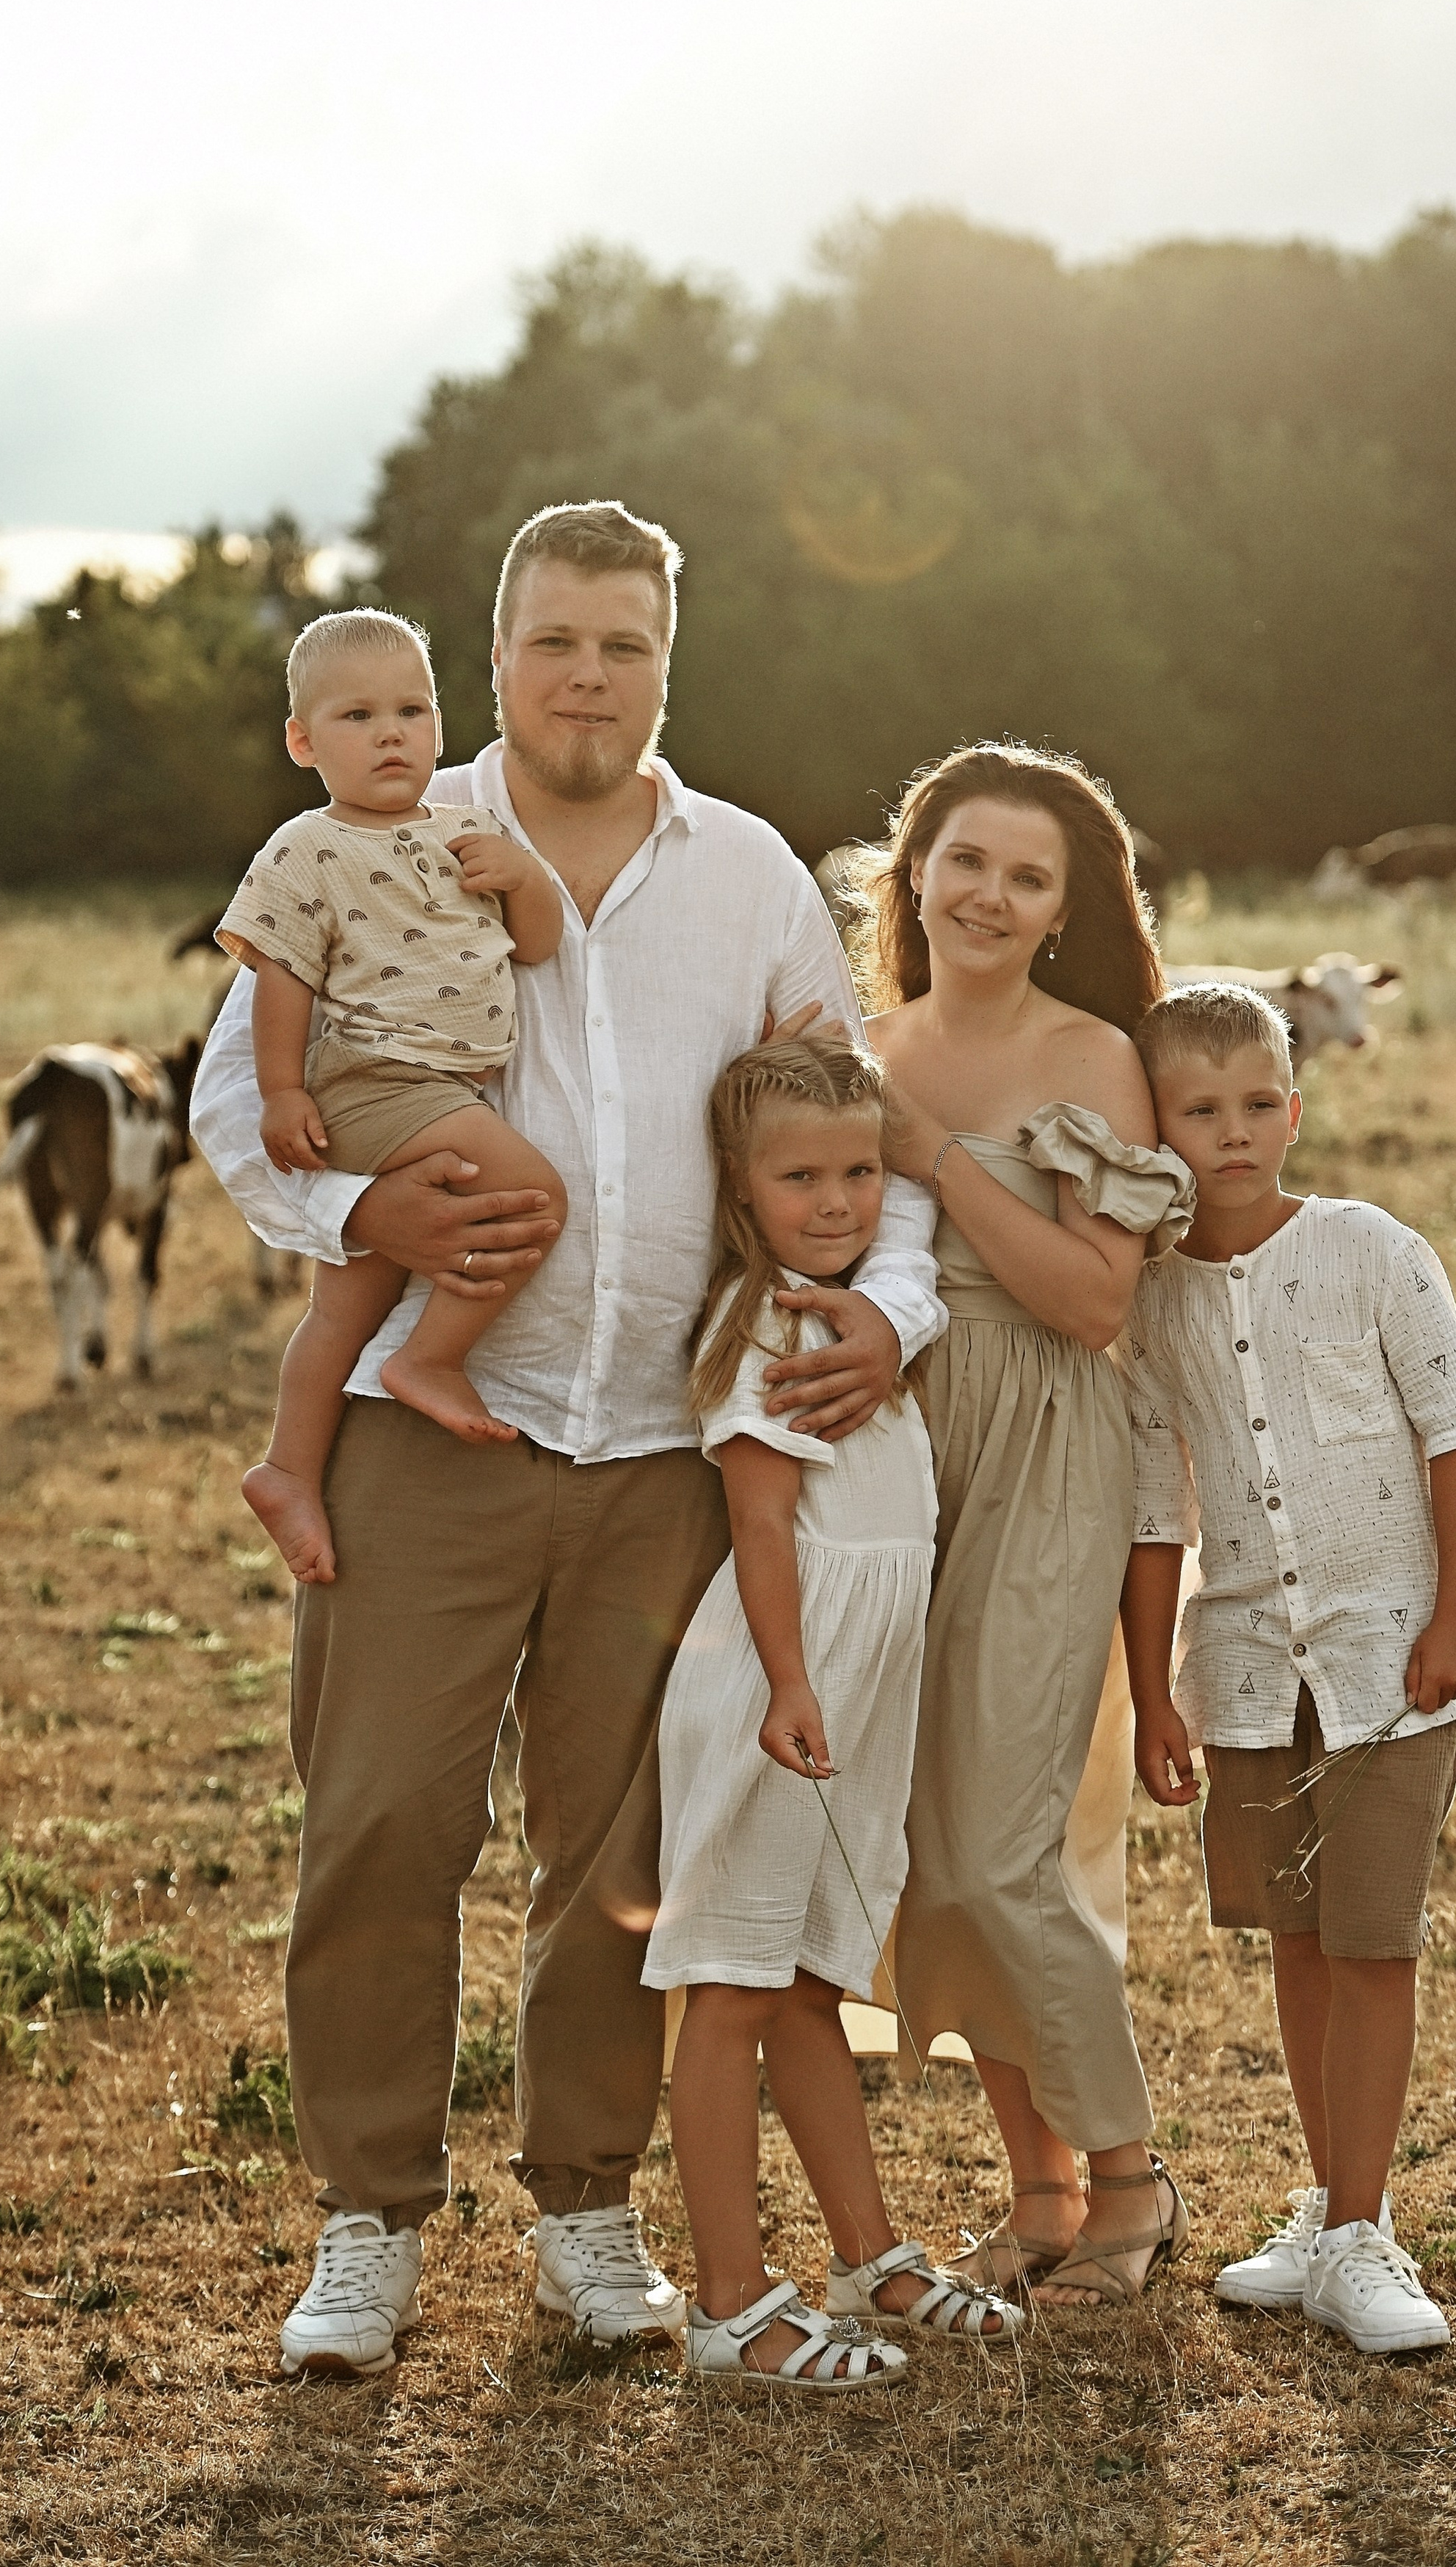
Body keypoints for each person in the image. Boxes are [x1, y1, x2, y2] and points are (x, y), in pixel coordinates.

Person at [189, 501, 946, 2378]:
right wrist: (369, 1224)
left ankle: (587, 2211)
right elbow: (231, 1100)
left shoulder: (751, 876)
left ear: (664, 661)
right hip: (431, 1437)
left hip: (667, 1457)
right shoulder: (381, 832)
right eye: (550, 644)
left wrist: (893, 1305)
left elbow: (864, 1133)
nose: (584, 677)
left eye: (620, 644)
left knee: (618, 1848)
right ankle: (366, 2222)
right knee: (379, 1824)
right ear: (495, 649)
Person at [1121, 981, 1456, 2355]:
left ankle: (1363, 2226)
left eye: (1257, 1105)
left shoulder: (1372, 1250)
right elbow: (1158, 1504)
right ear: (1156, 1126)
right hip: (1243, 1672)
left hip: (1389, 1660)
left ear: (1297, 1106)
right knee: (1293, 1938)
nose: (1233, 1134)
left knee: (1371, 1940)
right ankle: (1327, 2208)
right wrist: (1151, 1680)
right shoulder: (1150, 1301)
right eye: (1198, 1111)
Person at [863, 743, 1198, 2307]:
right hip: (888, 1457)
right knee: (926, 1849)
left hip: (1046, 1453)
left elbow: (1085, 1302)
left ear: (1063, 911)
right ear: (914, 871)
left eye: (1027, 875)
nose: (987, 895)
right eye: (965, 861)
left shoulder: (1087, 1061)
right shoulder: (861, 1042)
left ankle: (1130, 2182)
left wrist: (925, 1155)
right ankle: (1039, 2189)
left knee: (1001, 1848)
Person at [644, 1034, 1019, 2388]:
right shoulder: (765, 1331)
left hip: (858, 1685)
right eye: (801, 1176)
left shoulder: (859, 1321)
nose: (841, 1199)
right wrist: (795, 1683)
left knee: (810, 1981)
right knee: (732, 1987)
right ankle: (731, 2307)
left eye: (861, 1170)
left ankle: (866, 2254)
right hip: (779, 1684)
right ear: (743, 1197)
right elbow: (761, 1527)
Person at [217, 609, 568, 1587]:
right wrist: (283, 1093)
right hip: (374, 1081)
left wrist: (526, 879)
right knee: (534, 1197)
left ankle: (288, 1467)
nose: (389, 734)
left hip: (435, 1087)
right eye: (357, 714)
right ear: (303, 741)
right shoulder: (307, 848)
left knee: (346, 1300)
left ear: (441, 724)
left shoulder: (468, 835)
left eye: (411, 710)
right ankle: (429, 1359)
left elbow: (536, 943)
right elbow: (282, 978)